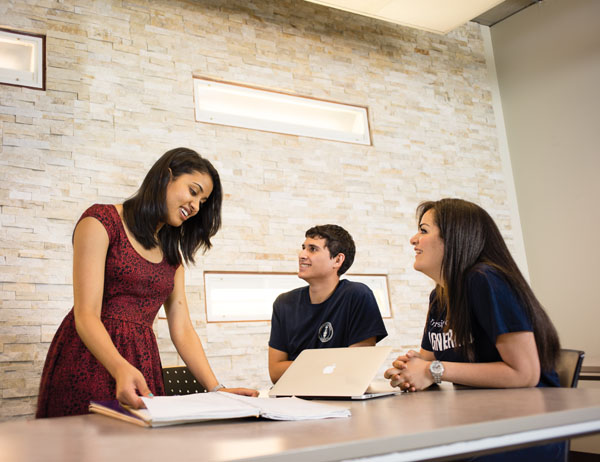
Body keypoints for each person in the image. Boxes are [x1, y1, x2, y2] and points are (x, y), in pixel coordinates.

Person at [37, 147, 257, 418]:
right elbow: (86, 314)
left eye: (203, 201)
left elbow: (183, 328)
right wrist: (119, 367)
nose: (196, 206)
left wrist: (216, 387)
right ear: (166, 177)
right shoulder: (101, 221)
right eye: (193, 191)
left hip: (142, 361)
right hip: (89, 356)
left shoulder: (172, 252)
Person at [385, 198, 564, 461]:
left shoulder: (484, 279)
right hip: (480, 419)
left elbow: (524, 373)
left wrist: (430, 371)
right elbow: (428, 358)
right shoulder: (440, 296)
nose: (414, 239)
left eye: (423, 230)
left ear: (455, 237)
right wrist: (408, 370)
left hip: (526, 429)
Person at [268, 224, 388, 384]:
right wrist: (330, 364)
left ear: (337, 260)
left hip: (341, 401)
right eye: (303, 248)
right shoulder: (284, 303)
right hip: (293, 399)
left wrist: (301, 366)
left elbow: (355, 369)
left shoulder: (357, 295)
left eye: (313, 249)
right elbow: (276, 373)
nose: (302, 254)